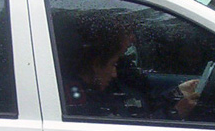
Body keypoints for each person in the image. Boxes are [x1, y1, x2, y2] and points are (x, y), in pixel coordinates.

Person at [61, 17, 200, 120]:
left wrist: (176, 93)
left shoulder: (112, 78)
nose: (133, 38)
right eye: (128, 32)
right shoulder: (79, 100)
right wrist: (174, 113)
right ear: (96, 64)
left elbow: (138, 104)